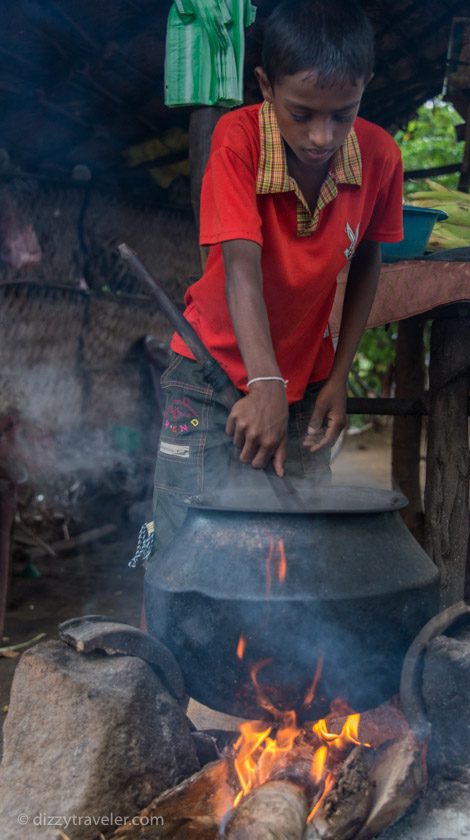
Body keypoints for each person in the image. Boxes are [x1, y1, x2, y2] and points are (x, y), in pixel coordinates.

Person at [150, 0, 403, 557]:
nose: (321, 136)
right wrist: (264, 385)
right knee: (179, 544)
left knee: (299, 549)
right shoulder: (236, 141)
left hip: (305, 384)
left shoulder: (380, 156)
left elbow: (367, 261)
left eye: (343, 114)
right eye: (302, 113)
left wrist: (337, 378)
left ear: (365, 90)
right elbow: (241, 268)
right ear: (265, 86)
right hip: (209, 377)